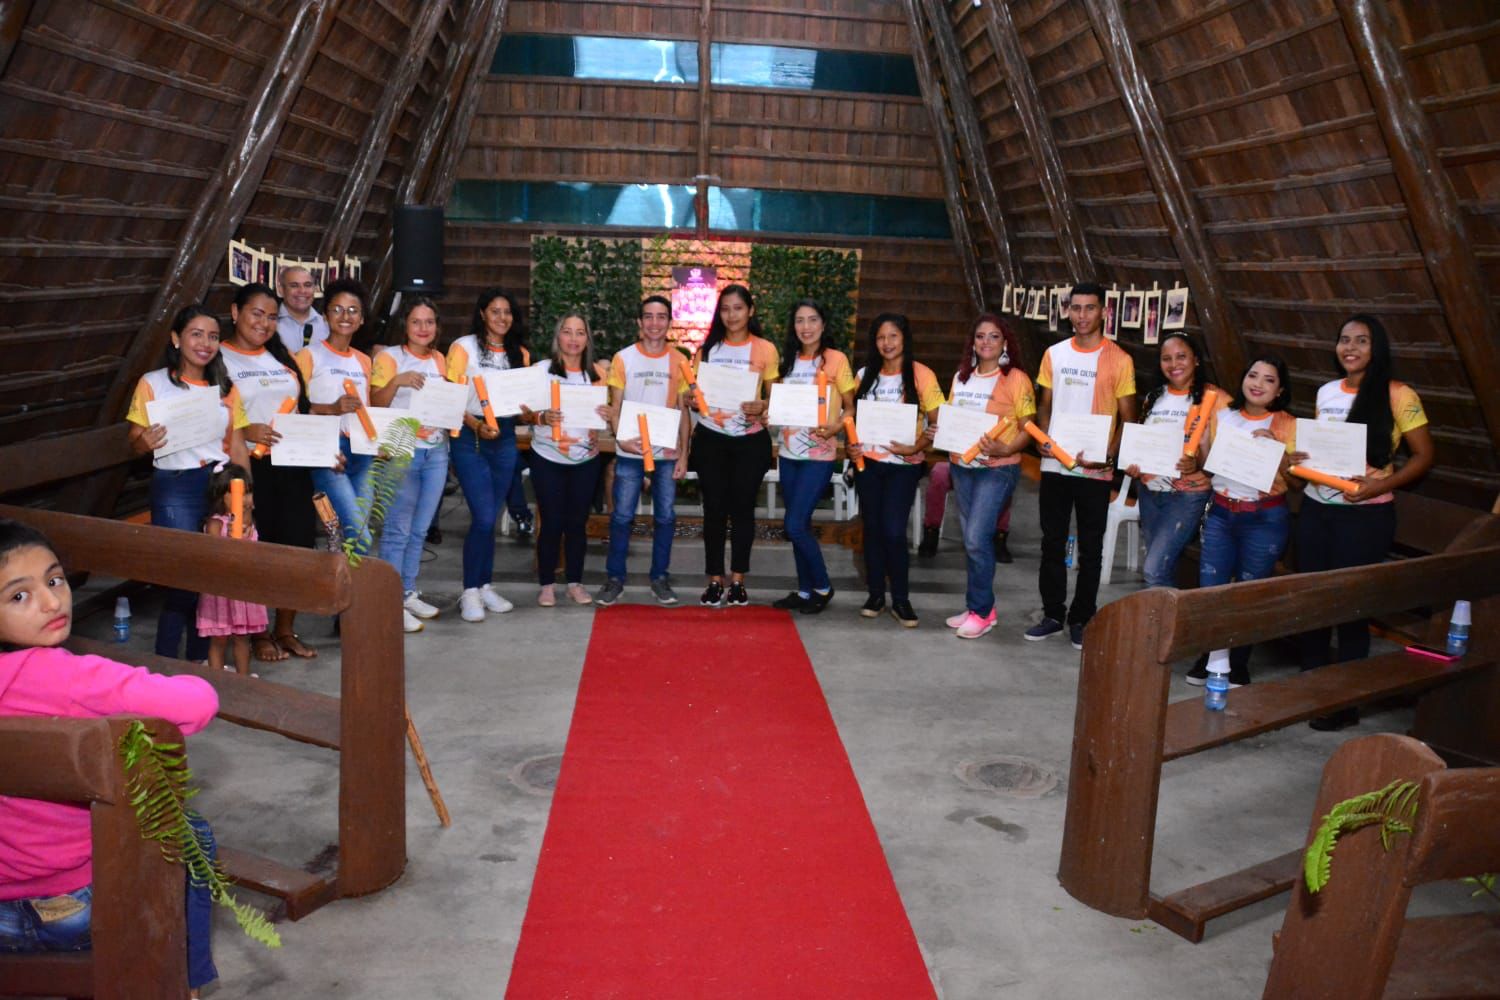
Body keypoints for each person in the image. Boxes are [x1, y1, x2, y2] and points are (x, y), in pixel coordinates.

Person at [0, 518, 220, 995]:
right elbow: (197, 703)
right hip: (79, 908)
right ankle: (183, 982)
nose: (52, 601)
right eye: (20, 595)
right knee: (193, 836)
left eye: (54, 580)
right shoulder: (74, 678)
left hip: (4, 919)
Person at [1296, 315, 1435, 730]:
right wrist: (1302, 459)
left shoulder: (1399, 394)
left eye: (1361, 340)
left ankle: (1345, 700)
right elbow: (1324, 447)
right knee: (1311, 599)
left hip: (1365, 515)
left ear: (1378, 348)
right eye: (1343, 340)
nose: (1350, 348)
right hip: (1316, 507)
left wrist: (1379, 487)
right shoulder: (1325, 392)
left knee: (1352, 606)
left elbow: (1424, 456)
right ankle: (1312, 690)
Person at [125, 305, 251, 661]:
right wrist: (143, 442)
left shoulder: (226, 387)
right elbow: (135, 440)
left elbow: (238, 444)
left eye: (213, 336)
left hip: (220, 486)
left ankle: (199, 662)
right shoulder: (153, 383)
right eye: (196, 334)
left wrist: (246, 495)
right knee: (183, 577)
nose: (205, 343)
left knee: (213, 580)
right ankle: (164, 664)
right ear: (177, 339)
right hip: (175, 485)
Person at [1026, 282, 1138, 650]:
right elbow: (1044, 405)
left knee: (1091, 547)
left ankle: (1082, 617)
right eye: (1076, 308)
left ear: (1104, 312)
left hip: (1095, 469)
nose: (1083, 316)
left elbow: (1128, 416)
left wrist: (1109, 455)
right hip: (1055, 466)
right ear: (1067, 311)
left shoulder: (1120, 360)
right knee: (1052, 542)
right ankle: (1053, 614)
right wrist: (1044, 439)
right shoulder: (1054, 354)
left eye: (1090, 308)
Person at [220, 282, 322, 662]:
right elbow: (210, 418)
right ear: (235, 313)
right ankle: (258, 633)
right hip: (247, 467)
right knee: (257, 548)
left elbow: (303, 413)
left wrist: (323, 449)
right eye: (256, 314)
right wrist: (245, 432)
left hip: (292, 465)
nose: (263, 323)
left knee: (295, 546)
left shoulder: (284, 360)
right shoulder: (219, 359)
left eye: (271, 317)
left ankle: (285, 629)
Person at [1194, 355, 1306, 687]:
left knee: (1249, 592)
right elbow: (1208, 468)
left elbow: (1298, 484)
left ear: (1280, 389)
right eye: (1253, 376)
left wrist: (1280, 452)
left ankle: (1239, 660)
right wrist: (1200, 449)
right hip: (1221, 513)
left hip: (1265, 518)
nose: (1258, 384)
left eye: (1268, 379)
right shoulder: (1223, 416)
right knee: (1210, 590)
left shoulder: (1289, 425)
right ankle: (1211, 655)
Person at [847, 313, 945, 628]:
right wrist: (853, 445)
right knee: (873, 529)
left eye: (893, 336)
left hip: (904, 465)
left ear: (904, 339)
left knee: (893, 530)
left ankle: (900, 599)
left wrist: (916, 446)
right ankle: (876, 595)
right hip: (870, 464)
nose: (886, 344)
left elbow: (937, 423)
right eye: (880, 338)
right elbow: (852, 420)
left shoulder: (922, 375)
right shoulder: (864, 375)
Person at [685, 285, 780, 608]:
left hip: (750, 440)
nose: (732, 315)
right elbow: (694, 393)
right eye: (725, 309)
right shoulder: (707, 349)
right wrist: (691, 399)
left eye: (738, 308)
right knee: (713, 509)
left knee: (742, 509)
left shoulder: (765, 349)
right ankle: (714, 578)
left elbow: (775, 398)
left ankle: (738, 580)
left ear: (750, 310)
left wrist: (763, 406)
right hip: (711, 438)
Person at [940, 315, 1034, 639]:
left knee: (976, 538)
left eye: (994, 337)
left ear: (1005, 343)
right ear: (973, 342)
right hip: (961, 466)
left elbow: (1028, 428)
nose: (986, 342)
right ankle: (980, 607)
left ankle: (981, 611)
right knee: (971, 541)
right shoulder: (961, 377)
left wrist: (1004, 447)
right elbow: (952, 417)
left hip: (998, 468)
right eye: (980, 336)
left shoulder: (1016, 379)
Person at [595, 296, 692, 607]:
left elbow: (683, 411)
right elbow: (616, 407)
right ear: (639, 322)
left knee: (665, 517)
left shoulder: (679, 360)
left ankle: (659, 578)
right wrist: (621, 440)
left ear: (669, 322)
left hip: (666, 453)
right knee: (621, 516)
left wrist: (685, 454)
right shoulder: (623, 359)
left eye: (661, 316)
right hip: (630, 451)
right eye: (648, 317)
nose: (654, 323)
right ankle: (614, 579)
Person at [769, 299, 857, 615]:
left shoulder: (835, 360)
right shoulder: (788, 362)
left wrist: (836, 426)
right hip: (789, 452)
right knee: (800, 524)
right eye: (800, 320)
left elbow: (850, 406)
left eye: (813, 320)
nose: (806, 327)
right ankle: (805, 591)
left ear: (823, 324)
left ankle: (822, 585)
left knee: (793, 524)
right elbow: (779, 403)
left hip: (820, 453)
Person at [447, 288, 529, 622]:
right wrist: (474, 425)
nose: (501, 318)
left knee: (491, 517)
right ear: (482, 313)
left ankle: (484, 585)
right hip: (471, 437)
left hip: (505, 437)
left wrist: (532, 410)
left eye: (507, 312)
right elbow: (451, 397)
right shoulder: (462, 348)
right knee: (481, 516)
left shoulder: (518, 354)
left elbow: (523, 409)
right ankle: (468, 591)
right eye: (494, 311)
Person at [371, 297, 451, 634]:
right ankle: (388, 603)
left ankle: (407, 591)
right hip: (401, 452)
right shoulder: (389, 357)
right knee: (397, 530)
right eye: (417, 322)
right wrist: (397, 381)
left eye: (429, 322)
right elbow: (374, 403)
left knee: (419, 530)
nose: (423, 328)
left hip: (436, 451)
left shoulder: (440, 359)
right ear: (405, 324)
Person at [520, 313, 610, 607]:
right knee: (552, 520)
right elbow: (523, 413)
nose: (573, 339)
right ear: (558, 336)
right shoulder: (541, 371)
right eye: (567, 332)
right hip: (547, 457)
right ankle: (547, 583)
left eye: (580, 333)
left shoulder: (597, 374)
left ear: (587, 339)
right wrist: (541, 417)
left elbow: (599, 418)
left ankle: (575, 581)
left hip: (586, 460)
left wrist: (604, 421)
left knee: (577, 522)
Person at [1124, 333, 1224, 591]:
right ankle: (1167, 627)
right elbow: (1142, 442)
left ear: (1196, 360)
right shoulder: (1154, 398)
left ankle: (1161, 628)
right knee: (1162, 568)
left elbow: (1226, 455)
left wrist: (1199, 464)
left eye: (1181, 356)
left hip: (1187, 496)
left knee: (1153, 569)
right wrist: (1134, 465)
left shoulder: (1216, 399)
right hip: (1150, 492)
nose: (1174, 364)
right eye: (1166, 358)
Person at [295, 278, 376, 556]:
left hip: (362, 451)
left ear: (362, 319)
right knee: (360, 535)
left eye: (353, 310)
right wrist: (332, 408)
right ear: (326, 315)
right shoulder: (308, 356)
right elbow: (295, 408)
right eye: (337, 309)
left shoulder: (364, 361)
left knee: (349, 533)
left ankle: (345, 596)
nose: (345, 316)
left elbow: (369, 409)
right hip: (328, 453)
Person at [196, 465, 267, 675]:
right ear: (220, 497)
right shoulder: (215, 523)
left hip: (243, 590)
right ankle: (218, 683)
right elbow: (214, 551)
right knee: (218, 640)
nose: (244, 499)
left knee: (242, 639)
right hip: (221, 592)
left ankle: (242, 681)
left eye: (248, 493)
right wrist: (229, 538)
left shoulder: (250, 522)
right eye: (237, 493)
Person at [919, 464, 1014, 563]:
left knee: (1002, 480)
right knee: (939, 475)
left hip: (990, 464)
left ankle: (999, 536)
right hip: (956, 461)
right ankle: (931, 531)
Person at [274, 265, 328, 355]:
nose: (302, 291)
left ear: (314, 289)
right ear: (281, 290)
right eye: (294, 285)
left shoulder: (327, 326)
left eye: (307, 285)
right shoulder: (269, 323)